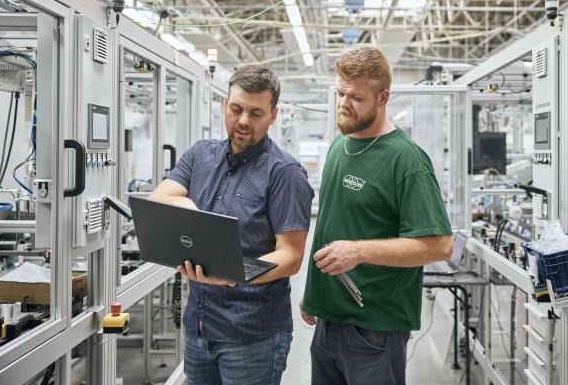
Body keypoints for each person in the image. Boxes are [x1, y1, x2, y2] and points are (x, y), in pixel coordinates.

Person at [149, 65, 314, 385]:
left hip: (252, 334)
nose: (243, 121)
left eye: (255, 113)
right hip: (199, 326)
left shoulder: (285, 172)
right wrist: (185, 206)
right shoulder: (201, 155)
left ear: (273, 115)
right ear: (225, 104)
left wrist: (235, 273)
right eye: (237, 109)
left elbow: (291, 256)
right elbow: (160, 198)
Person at [300, 47, 454, 385]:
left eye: (355, 97)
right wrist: (314, 294)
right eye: (340, 93)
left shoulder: (407, 160)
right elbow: (332, 222)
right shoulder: (340, 146)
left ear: (382, 98)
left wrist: (360, 251)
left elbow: (439, 245)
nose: (343, 103)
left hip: (375, 328)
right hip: (329, 319)